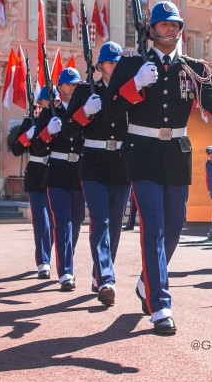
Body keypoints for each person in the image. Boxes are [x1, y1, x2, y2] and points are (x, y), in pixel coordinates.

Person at [102, 1, 212, 335]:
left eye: (176, 25)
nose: (171, 29)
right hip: (142, 153)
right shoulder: (132, 65)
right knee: (153, 226)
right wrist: (135, 85)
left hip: (176, 153)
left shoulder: (192, 69)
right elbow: (110, 111)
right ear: (152, 30)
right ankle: (160, 303)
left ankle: (147, 283)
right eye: (165, 24)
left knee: (174, 226)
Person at [63, 41, 130, 307]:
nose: (115, 66)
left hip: (121, 163)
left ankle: (98, 273)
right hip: (92, 162)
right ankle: (106, 279)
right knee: (100, 220)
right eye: (110, 62)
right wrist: (84, 113)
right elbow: (68, 130)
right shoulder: (84, 91)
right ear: (100, 66)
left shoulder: (130, 91)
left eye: (118, 62)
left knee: (114, 225)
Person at [32, 68, 86, 292]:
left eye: (76, 84)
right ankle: (66, 273)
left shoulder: (86, 110)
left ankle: (66, 259)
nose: (73, 88)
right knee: (62, 223)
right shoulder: (50, 113)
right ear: (60, 88)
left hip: (80, 173)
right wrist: (48, 132)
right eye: (69, 84)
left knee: (77, 223)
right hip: (57, 172)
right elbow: (36, 147)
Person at [10, 87, 53, 279]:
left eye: (54, 101)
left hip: (56, 172)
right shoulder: (30, 121)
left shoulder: (58, 119)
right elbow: (16, 149)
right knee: (41, 220)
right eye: (47, 101)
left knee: (55, 223)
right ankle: (43, 261)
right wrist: (27, 136)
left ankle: (47, 255)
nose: (50, 105)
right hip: (36, 174)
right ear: (40, 102)